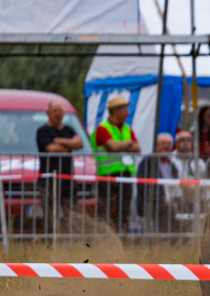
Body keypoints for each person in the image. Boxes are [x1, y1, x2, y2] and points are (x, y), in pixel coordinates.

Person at [91, 95, 140, 232]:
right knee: (104, 207)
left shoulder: (127, 128)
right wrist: (128, 143)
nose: (128, 113)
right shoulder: (102, 128)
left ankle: (121, 234)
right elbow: (111, 147)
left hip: (125, 174)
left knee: (124, 208)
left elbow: (138, 148)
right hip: (107, 174)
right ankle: (103, 236)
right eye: (125, 110)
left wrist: (122, 145)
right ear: (116, 111)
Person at [35, 99, 83, 231]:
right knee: (50, 216)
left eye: (60, 111)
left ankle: (72, 243)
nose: (57, 113)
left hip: (67, 180)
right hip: (48, 181)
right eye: (54, 111)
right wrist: (69, 144)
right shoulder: (42, 131)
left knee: (72, 214)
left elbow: (79, 144)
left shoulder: (69, 129)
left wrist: (59, 140)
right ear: (48, 113)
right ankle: (52, 243)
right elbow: (51, 149)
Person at [136, 132, 179, 233]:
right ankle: (163, 242)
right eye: (163, 143)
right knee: (168, 209)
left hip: (170, 202)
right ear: (156, 146)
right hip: (151, 203)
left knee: (191, 207)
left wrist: (177, 200)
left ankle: (185, 242)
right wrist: (162, 199)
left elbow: (176, 186)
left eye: (169, 143)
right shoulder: (147, 163)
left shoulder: (172, 166)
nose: (166, 146)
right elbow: (144, 186)